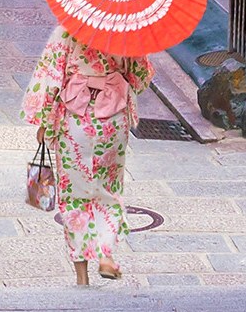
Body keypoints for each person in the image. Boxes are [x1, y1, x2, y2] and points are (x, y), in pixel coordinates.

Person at [20, 20, 150, 285]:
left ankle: (82, 277)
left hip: (75, 118)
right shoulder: (127, 28)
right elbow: (140, 76)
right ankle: (105, 254)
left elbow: (51, 75)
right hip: (112, 119)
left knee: (74, 195)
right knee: (108, 190)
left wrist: (45, 120)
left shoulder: (69, 28)